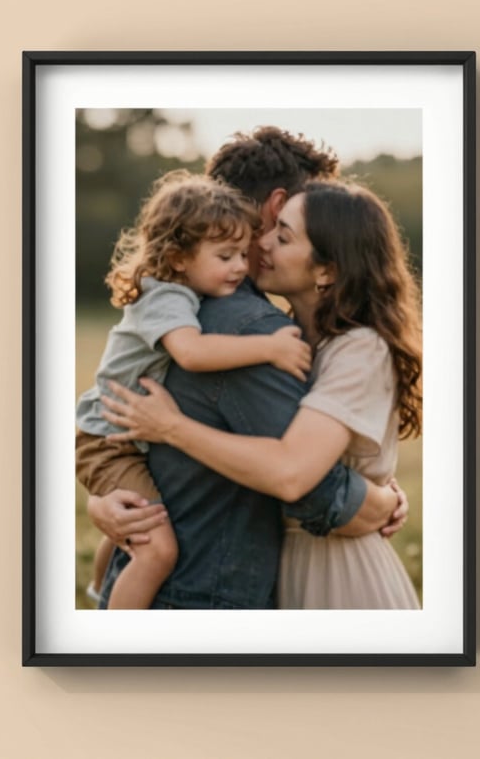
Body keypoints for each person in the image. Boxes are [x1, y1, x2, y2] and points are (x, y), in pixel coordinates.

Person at [86, 127, 409, 609]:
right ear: (278, 205)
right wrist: (379, 500)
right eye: (298, 214)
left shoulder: (202, 304)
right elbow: (312, 490)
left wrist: (102, 494)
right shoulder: (245, 328)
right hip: (206, 593)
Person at [76, 170, 312, 609]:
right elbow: (192, 353)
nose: (241, 267)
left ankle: (99, 589)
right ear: (179, 257)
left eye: (243, 253)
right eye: (225, 256)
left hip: (116, 432)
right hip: (109, 440)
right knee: (158, 548)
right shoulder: (168, 297)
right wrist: (270, 348)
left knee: (141, 518)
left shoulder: (181, 290)